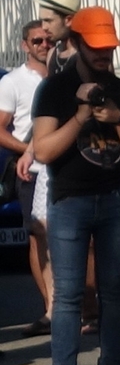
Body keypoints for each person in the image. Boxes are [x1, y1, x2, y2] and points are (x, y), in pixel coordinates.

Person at [28, 8, 120, 365]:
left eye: (109, 48)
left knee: (114, 293)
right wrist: (81, 115)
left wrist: (118, 120)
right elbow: (44, 151)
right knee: (67, 296)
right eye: (96, 48)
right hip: (70, 200)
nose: (104, 55)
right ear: (77, 44)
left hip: (117, 198)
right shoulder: (55, 90)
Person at [1, 21, 54, 333]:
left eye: (48, 40)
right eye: (37, 41)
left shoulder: (63, 76)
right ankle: (49, 308)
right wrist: (30, 150)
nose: (43, 45)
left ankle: (82, 308)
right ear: (25, 45)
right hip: (32, 172)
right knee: (39, 237)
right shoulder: (12, 82)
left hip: (65, 170)